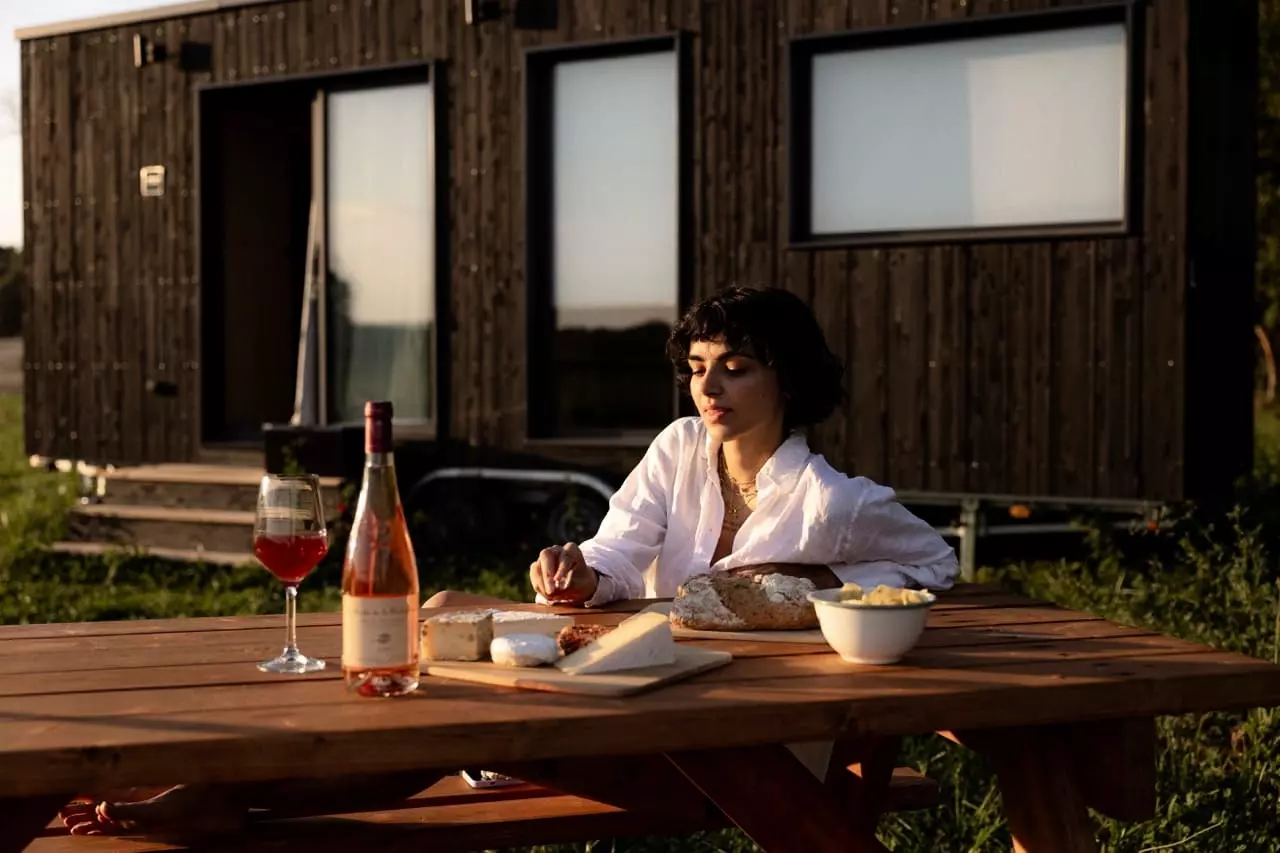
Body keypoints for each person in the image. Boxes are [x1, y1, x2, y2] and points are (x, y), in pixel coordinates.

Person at [59, 285, 956, 838]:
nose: (708, 387)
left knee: (471, 715)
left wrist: (809, 589)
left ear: (786, 377)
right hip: (643, 692)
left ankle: (228, 792)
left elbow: (935, 564)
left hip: (738, 744)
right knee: (447, 644)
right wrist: (582, 572)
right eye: (696, 366)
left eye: (736, 367)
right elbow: (618, 549)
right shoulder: (682, 447)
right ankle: (229, 786)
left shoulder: (832, 499)